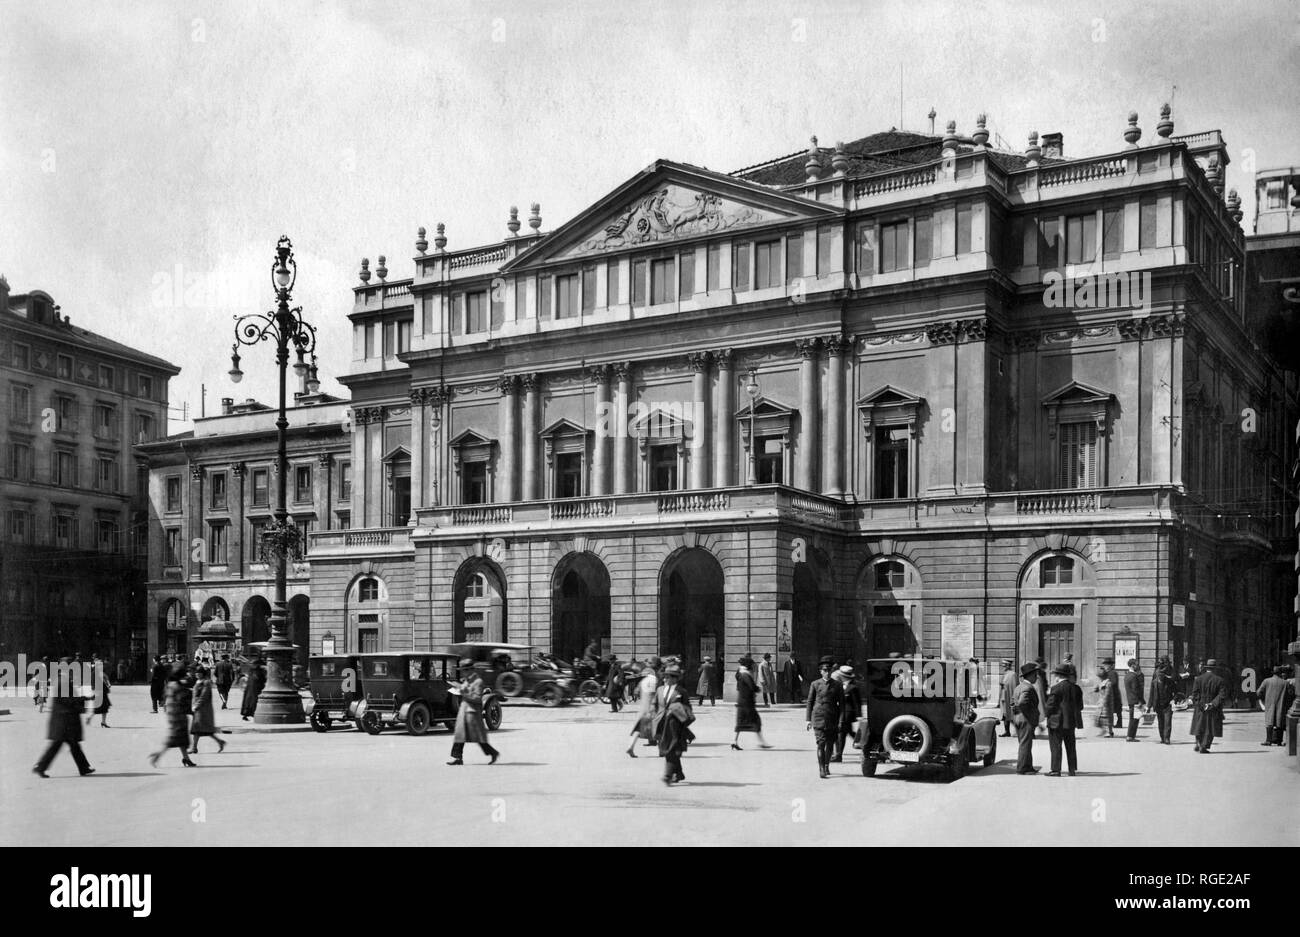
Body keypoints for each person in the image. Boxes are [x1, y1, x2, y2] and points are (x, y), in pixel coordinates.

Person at [32, 658, 95, 778]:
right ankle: (41, 766)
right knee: (61, 744)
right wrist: (85, 698)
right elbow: (67, 700)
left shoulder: (63, 680)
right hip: (64, 720)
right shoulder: (63, 681)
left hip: (64, 719)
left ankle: (83, 768)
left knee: (73, 745)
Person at [447, 660, 500, 765]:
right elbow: (465, 689)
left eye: (464, 671)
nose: (462, 673)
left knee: (478, 736)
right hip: (464, 710)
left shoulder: (478, 682)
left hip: (472, 713)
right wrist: (459, 686)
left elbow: (476, 698)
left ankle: (493, 752)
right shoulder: (468, 680)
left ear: (470, 670)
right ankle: (458, 758)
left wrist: (461, 691)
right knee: (459, 734)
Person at [653, 662, 694, 785]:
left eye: (668, 677)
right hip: (661, 724)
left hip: (675, 725)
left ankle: (667, 775)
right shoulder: (659, 690)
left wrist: (678, 712)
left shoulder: (682, 691)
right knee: (666, 748)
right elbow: (656, 706)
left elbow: (688, 709)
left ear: (675, 678)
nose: (665, 679)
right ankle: (679, 773)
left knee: (671, 749)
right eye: (664, 676)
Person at [805, 656, 844, 779]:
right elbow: (810, 702)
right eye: (825, 670)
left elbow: (842, 705)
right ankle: (821, 769)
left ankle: (827, 765)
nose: (827, 673)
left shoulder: (837, 685)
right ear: (820, 671)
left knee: (830, 744)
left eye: (829, 670)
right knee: (821, 743)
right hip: (818, 717)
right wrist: (808, 720)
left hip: (832, 717)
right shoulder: (815, 684)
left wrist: (841, 721)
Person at [150, 662, 195, 768]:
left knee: (181, 739)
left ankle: (186, 759)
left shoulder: (170, 684)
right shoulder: (178, 686)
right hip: (177, 715)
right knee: (173, 738)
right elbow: (182, 700)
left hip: (173, 714)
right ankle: (157, 755)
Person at [1044, 664, 1082, 776]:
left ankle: (1056, 770)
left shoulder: (1056, 688)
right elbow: (1080, 706)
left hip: (1056, 722)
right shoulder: (1076, 688)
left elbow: (1050, 706)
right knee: (1071, 746)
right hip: (1070, 722)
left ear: (1057, 675)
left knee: (1056, 746)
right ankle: (1072, 769)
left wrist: (1046, 714)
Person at [731, 656, 771, 750]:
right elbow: (752, 687)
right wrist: (758, 689)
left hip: (741, 701)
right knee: (756, 722)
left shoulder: (740, 673)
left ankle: (734, 741)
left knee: (740, 723)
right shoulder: (746, 674)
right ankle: (762, 743)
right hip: (747, 703)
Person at [1190, 659, 1227, 753]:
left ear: (1206, 668)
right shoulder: (1220, 680)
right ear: (1215, 669)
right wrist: (1212, 704)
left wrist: (1201, 704)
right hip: (1213, 707)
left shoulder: (1198, 679)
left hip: (1200, 706)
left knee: (1199, 725)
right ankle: (1204, 746)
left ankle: (1198, 742)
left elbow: (1195, 694)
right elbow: (1222, 695)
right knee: (1210, 727)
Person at [626, 656, 661, 756]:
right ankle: (661, 751)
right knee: (659, 729)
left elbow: (637, 692)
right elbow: (659, 693)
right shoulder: (657, 680)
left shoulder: (643, 681)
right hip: (653, 708)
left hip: (643, 708)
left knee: (638, 729)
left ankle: (630, 746)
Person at [1012, 662, 1041, 775]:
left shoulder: (1018, 687)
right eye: (1035, 674)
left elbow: (1012, 703)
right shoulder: (1028, 688)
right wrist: (1030, 715)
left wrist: (1016, 712)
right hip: (1026, 719)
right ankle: (1022, 768)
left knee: (1025, 743)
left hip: (1018, 718)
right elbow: (1022, 702)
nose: (1036, 677)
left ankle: (1028, 767)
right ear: (1030, 675)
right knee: (1025, 744)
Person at [189, 665, 226, 753]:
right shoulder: (198, 682)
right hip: (198, 709)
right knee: (200, 729)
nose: (197, 674)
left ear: (202, 673)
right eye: (196, 672)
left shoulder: (206, 682)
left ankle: (194, 748)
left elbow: (203, 696)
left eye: (199, 673)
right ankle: (219, 742)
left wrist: (196, 705)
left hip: (203, 709)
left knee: (199, 728)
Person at [1258, 665, 1295, 746]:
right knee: (1280, 722)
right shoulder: (1285, 683)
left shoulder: (1266, 681)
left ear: (1273, 672)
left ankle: (1268, 740)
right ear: (1280, 673)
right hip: (1281, 705)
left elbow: (1259, 692)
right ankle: (1279, 741)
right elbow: (1291, 694)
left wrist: (1264, 698)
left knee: (1269, 722)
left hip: (1269, 704)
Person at [832, 665, 862, 762]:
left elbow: (857, 702)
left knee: (841, 733)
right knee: (847, 732)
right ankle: (863, 744)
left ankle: (838, 755)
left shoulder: (853, 687)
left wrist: (859, 715)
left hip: (848, 714)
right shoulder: (840, 685)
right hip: (841, 713)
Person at [1147, 660, 1176, 744]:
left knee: (1167, 722)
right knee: (1161, 723)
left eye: (1162, 675)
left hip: (1167, 705)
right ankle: (1162, 738)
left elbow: (1176, 691)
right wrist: (1149, 706)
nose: (1160, 676)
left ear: (1164, 674)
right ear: (1157, 674)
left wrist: (1174, 700)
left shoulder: (1169, 681)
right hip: (1158, 705)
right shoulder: (1154, 682)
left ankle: (1167, 738)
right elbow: (1151, 695)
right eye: (1159, 675)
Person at [1123, 658, 1146, 742]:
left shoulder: (1127, 675)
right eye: (1136, 664)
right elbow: (1136, 690)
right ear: (1132, 665)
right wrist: (1140, 701)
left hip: (1130, 700)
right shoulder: (1134, 676)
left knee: (1134, 718)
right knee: (1134, 719)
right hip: (1135, 701)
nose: (1138, 666)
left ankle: (1131, 736)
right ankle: (1130, 736)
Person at [241, 657, 266, 722]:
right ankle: (252, 714)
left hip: (249, 688)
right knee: (253, 701)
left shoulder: (251, 670)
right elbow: (260, 679)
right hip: (256, 689)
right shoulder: (258, 671)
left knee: (247, 701)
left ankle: (245, 714)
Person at [1093, 666, 1115, 738]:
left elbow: (1107, 694)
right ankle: (1105, 731)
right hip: (1102, 702)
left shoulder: (1108, 683)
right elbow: (1098, 689)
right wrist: (1096, 688)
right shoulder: (1102, 682)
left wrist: (1104, 703)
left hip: (1106, 703)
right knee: (1100, 718)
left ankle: (1109, 732)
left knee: (1107, 718)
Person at [998, 659, 1016, 737]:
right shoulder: (1005, 674)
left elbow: (1014, 686)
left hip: (1009, 697)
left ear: (1008, 665)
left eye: (1004, 665)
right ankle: (1007, 731)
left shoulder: (1013, 674)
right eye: (1002, 665)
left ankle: (1021, 730)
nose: (1003, 667)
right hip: (1004, 697)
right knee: (1005, 715)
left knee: (1011, 715)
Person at [92, 659, 111, 728]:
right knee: (95, 708)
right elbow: (92, 683)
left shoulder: (101, 672)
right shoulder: (94, 673)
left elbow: (106, 678)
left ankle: (103, 722)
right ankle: (89, 719)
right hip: (98, 692)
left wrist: (108, 684)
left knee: (105, 708)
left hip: (103, 692)